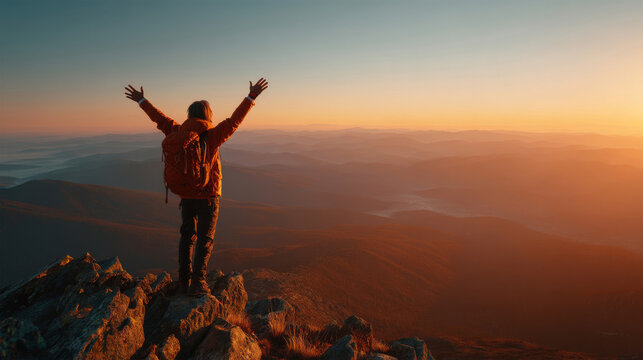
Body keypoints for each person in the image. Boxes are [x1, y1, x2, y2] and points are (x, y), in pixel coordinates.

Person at [124, 78, 269, 295]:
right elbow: (234, 121)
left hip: (185, 193)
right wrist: (251, 97)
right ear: (208, 115)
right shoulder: (212, 135)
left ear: (189, 114)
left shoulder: (176, 131)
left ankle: (184, 281)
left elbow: (159, 118)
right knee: (205, 238)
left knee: (187, 237)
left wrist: (142, 100)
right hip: (208, 194)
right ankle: (198, 282)